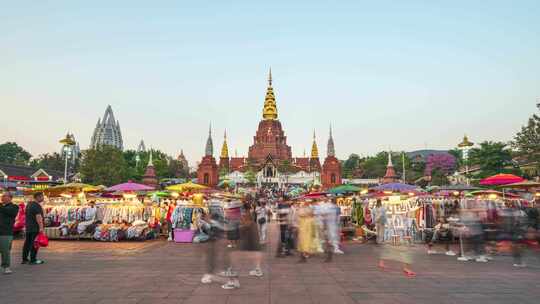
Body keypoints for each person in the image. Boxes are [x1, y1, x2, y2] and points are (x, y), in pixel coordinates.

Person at [22, 192, 45, 265]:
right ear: (38, 197)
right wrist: (41, 228)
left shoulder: (29, 205)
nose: (43, 198)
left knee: (27, 243)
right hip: (35, 228)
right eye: (42, 197)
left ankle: (24, 259)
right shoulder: (36, 206)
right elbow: (38, 217)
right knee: (35, 244)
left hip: (28, 227)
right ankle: (33, 259)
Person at [0, 192, 19, 274]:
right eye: (2, 196)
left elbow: (9, 212)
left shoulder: (14, 207)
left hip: (5, 232)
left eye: (4, 196)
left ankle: (6, 266)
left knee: (5, 251)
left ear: (10, 198)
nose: (2, 197)